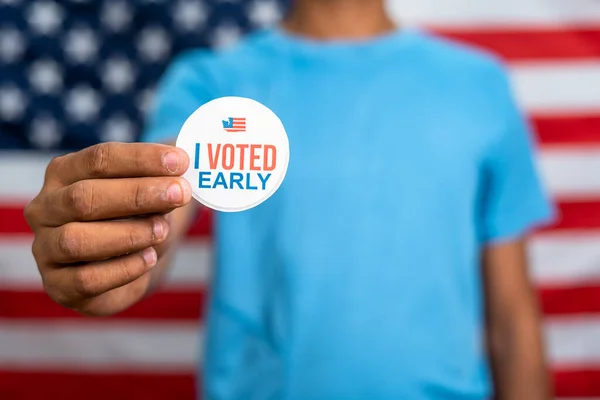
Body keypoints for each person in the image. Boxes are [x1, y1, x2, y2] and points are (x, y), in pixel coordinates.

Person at [24, 0, 556, 399]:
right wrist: (110, 250)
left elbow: (512, 318)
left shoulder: (478, 85)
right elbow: (162, 198)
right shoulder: (212, 81)